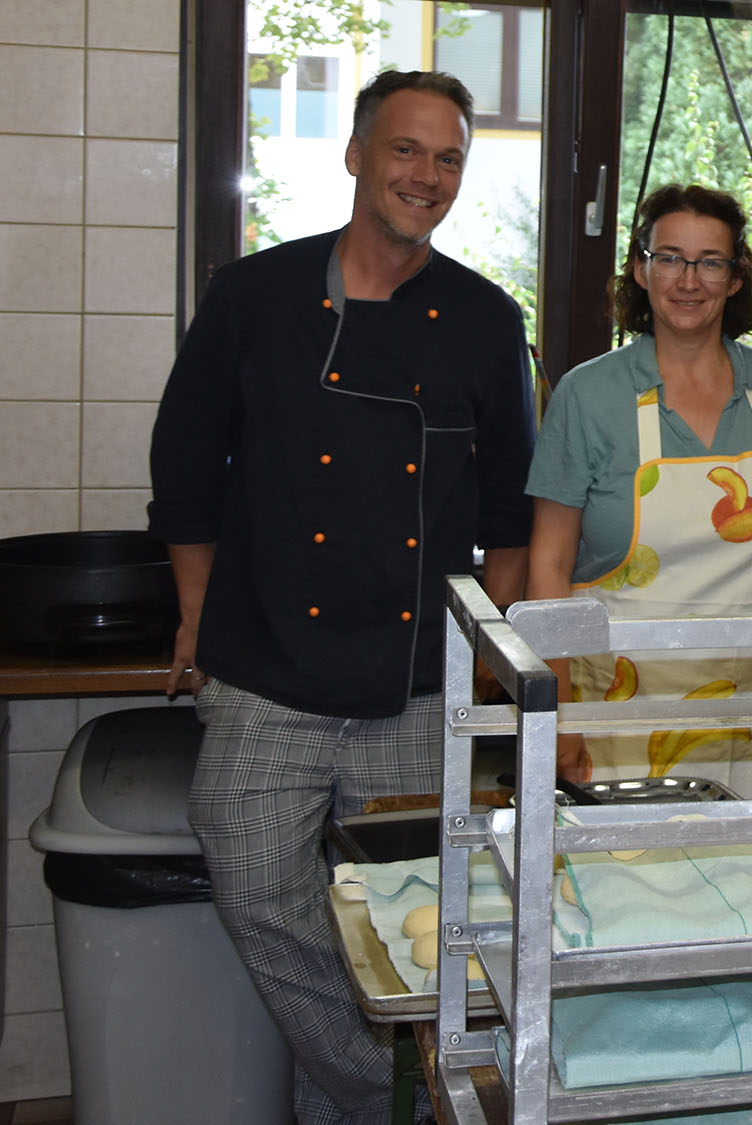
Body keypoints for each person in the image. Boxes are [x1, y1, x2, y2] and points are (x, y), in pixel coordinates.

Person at [147, 70, 536, 1124]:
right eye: (406, 150)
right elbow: (184, 472)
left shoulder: (485, 319)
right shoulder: (254, 297)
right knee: (252, 879)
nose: (427, 176)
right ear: (357, 155)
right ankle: (387, 1099)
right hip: (265, 664)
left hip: (412, 684)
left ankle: (359, 1110)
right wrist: (193, 609)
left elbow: (509, 516)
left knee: (399, 922)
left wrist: (483, 664)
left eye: (448, 158)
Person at [524, 183, 752, 794]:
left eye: (710, 262)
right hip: (622, 714)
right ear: (639, 268)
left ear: (735, 278)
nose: (688, 280)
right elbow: (548, 566)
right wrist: (556, 716)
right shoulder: (589, 395)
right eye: (670, 258)